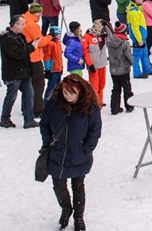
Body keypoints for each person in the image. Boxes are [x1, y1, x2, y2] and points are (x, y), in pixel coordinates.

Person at [40, 75, 102, 231]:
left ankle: (79, 216)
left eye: (71, 93)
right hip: (57, 153)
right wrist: (48, 142)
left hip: (78, 154)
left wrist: (85, 150)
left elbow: (95, 132)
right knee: (58, 185)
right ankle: (66, 209)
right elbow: (44, 124)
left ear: (79, 92)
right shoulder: (54, 104)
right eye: (65, 92)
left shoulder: (90, 108)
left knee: (78, 185)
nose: (67, 96)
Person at [0, 14, 39, 129]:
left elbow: (22, 50)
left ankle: (29, 119)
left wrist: (30, 45)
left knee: (29, 94)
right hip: (13, 73)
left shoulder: (20, 36)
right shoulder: (6, 38)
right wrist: (32, 47)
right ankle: (5, 118)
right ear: (15, 24)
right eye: (21, 24)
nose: (23, 26)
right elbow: (17, 54)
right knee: (11, 96)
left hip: (23, 72)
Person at [106, 21, 134, 114]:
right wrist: (131, 62)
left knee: (116, 88)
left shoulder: (110, 41)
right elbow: (128, 55)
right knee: (127, 88)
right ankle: (129, 106)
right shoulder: (125, 42)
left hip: (113, 69)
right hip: (124, 69)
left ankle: (114, 108)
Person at [82, 21, 108, 106]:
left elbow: (112, 34)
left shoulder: (103, 35)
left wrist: (107, 25)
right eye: (96, 27)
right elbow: (85, 52)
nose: (98, 29)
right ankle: (94, 103)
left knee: (102, 84)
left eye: (100, 27)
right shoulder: (86, 37)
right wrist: (90, 64)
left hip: (102, 63)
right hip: (94, 65)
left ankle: (99, 101)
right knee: (94, 86)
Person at [43, 26, 65, 100]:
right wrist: (47, 69)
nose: (60, 35)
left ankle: (57, 100)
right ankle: (46, 100)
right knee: (51, 86)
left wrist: (61, 67)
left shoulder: (58, 43)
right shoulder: (50, 44)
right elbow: (47, 57)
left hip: (58, 69)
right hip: (52, 70)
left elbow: (59, 57)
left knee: (58, 86)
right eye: (58, 33)